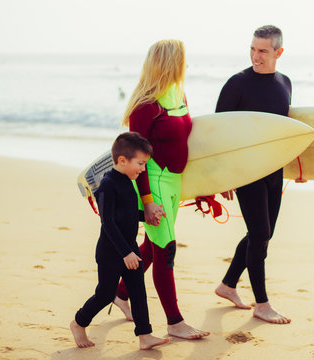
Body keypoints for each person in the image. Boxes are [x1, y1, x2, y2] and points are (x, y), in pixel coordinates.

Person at [112, 39, 210, 340]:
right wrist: (148, 202)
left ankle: (120, 294)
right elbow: (138, 161)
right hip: (153, 181)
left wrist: (207, 186)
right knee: (166, 249)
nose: (187, 65)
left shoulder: (178, 94)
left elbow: (186, 142)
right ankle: (174, 322)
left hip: (175, 182)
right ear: (171, 62)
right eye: (183, 59)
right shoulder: (145, 107)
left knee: (153, 249)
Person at [214, 25, 292, 324]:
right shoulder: (237, 84)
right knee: (260, 235)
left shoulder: (285, 82)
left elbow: (286, 130)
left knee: (264, 234)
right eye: (252, 49)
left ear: (278, 52)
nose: (255, 56)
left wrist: (299, 166)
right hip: (245, 171)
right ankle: (262, 304)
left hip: (275, 169)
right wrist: (223, 177)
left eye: (262, 50)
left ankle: (227, 285)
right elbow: (218, 134)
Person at [70, 132, 170, 350]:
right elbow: (108, 222)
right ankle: (79, 322)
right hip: (111, 252)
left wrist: (147, 217)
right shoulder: (107, 184)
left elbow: (127, 213)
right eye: (140, 164)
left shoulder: (127, 181)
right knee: (105, 294)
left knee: (138, 292)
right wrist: (125, 252)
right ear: (122, 160)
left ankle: (145, 336)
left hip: (129, 248)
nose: (143, 169)